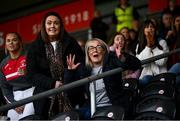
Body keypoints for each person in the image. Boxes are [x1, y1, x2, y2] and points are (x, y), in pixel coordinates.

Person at [26, 11, 86, 119]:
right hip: (45, 96)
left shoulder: (70, 42)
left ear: (60, 26)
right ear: (44, 26)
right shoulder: (35, 47)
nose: (52, 26)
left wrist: (72, 72)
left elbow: (81, 65)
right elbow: (31, 74)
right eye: (49, 23)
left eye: (56, 23)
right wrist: (53, 83)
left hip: (70, 92)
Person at [65, 38, 141, 118]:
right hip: (91, 107)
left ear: (104, 51)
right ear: (88, 53)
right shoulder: (83, 68)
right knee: (72, 116)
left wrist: (122, 58)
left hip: (113, 106)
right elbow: (71, 93)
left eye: (98, 47)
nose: (95, 50)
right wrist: (70, 72)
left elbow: (137, 64)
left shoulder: (112, 60)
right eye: (91, 48)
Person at [0, 32, 35, 120]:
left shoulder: (29, 56)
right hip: (15, 96)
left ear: (20, 42)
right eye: (8, 41)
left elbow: (40, 75)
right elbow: (4, 87)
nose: (11, 43)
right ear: (6, 45)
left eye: (14, 40)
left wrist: (28, 72)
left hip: (32, 92)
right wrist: (13, 104)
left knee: (26, 119)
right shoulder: (3, 64)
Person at [136, 19, 169, 86]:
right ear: (143, 30)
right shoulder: (139, 45)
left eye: (152, 27)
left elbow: (161, 62)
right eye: (147, 27)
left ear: (155, 30)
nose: (150, 29)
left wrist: (153, 47)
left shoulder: (162, 42)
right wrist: (148, 47)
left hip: (161, 75)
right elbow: (142, 64)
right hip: (146, 77)